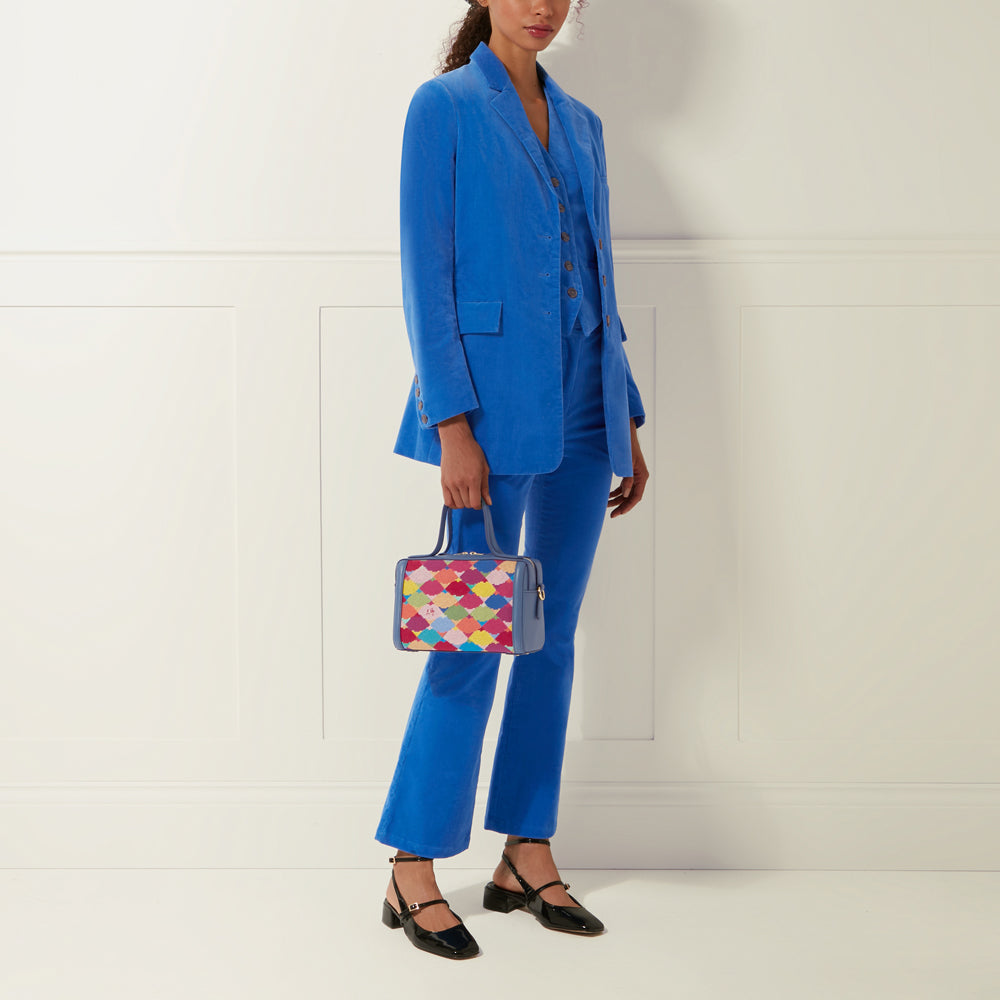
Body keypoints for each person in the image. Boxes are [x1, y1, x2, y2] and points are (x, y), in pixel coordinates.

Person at [376, 0, 649, 960]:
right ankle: (413, 865)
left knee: (553, 636)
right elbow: (427, 271)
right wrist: (451, 424)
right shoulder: (443, 107)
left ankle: (524, 849)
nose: (543, 4)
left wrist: (628, 415)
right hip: (489, 414)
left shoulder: (583, 123)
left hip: (586, 404)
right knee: (474, 628)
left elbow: (599, 273)